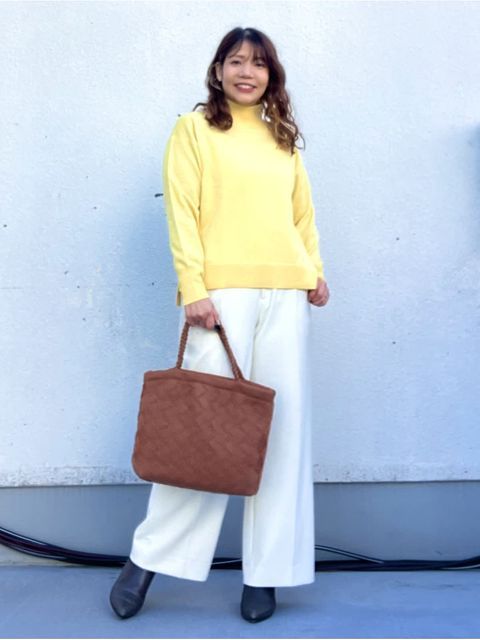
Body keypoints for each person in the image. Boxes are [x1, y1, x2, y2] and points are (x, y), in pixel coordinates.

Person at [109, 26, 330, 624]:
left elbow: (301, 214)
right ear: (218, 70)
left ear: (271, 75)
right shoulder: (194, 129)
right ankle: (147, 559)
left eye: (258, 64)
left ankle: (268, 574)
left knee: (282, 433)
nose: (246, 72)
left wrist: (315, 270)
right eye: (236, 61)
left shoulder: (283, 137)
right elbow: (181, 211)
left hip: (286, 291)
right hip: (221, 295)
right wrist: (194, 287)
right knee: (203, 434)